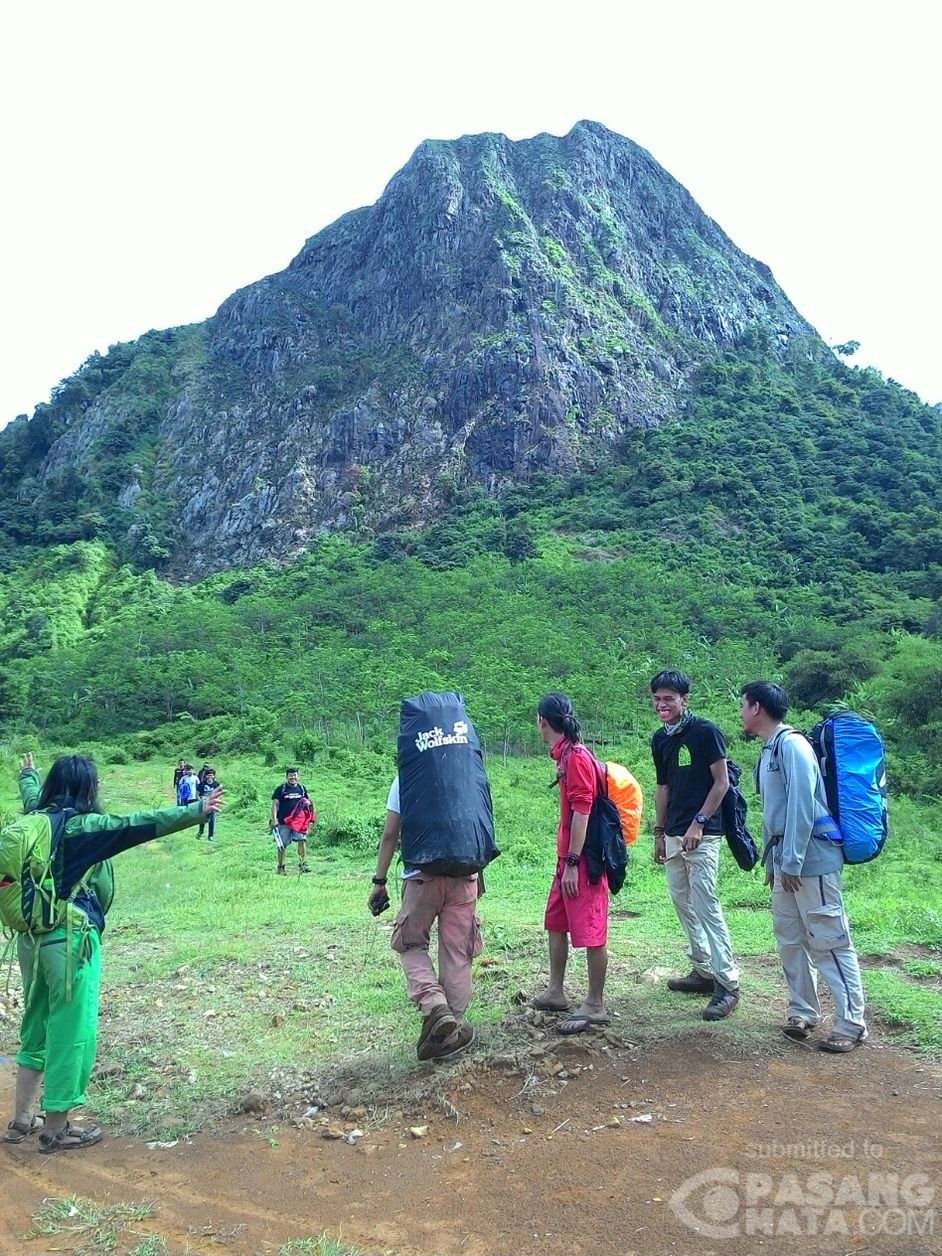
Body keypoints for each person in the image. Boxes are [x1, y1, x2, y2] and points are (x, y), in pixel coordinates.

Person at [4, 753, 221, 1153]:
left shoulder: (37, 818)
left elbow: (33, 794)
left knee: (36, 1023)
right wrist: (195, 811)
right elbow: (136, 826)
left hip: (32, 939)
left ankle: (21, 1119)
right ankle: (56, 1128)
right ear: (88, 789)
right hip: (69, 941)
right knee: (72, 1031)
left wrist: (28, 775)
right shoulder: (83, 827)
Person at [368, 691, 496, 1061]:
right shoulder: (468, 771)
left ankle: (434, 1006)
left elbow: (390, 834)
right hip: (467, 873)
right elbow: (481, 823)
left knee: (410, 943)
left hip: (422, 876)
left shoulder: (408, 778)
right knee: (457, 951)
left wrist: (379, 882)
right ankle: (452, 1024)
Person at [740, 681, 868, 1052]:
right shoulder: (769, 749)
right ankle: (803, 1011)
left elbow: (801, 807)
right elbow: (773, 811)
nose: (741, 712)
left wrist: (792, 861)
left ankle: (851, 1023)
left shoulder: (793, 745)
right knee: (790, 940)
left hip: (811, 862)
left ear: (757, 708)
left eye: (743, 705)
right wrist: (774, 863)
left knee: (829, 941)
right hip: (786, 864)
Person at [650, 669, 741, 1020]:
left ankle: (728, 983)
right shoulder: (660, 739)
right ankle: (703, 969)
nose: (662, 704)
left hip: (702, 833)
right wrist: (659, 833)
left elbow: (721, 784)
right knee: (681, 901)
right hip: (673, 831)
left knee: (706, 904)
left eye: (669, 698)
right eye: (657, 699)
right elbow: (663, 788)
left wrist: (698, 824)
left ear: (684, 699)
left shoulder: (705, 732)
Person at [530, 693, 610, 1035]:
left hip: (583, 861)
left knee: (591, 931)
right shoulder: (565, 754)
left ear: (542, 722)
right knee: (555, 921)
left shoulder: (576, 758)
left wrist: (574, 863)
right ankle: (556, 991)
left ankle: (595, 1004)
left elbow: (582, 810)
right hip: (568, 860)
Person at [270, 768, 312, 875]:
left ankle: (303, 865)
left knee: (302, 841)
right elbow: (275, 804)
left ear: (298, 776)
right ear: (286, 777)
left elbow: (308, 803)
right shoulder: (281, 789)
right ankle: (281, 867)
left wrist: (309, 821)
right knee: (282, 845)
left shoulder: (302, 789)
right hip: (284, 822)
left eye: (295, 775)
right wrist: (274, 819)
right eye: (290, 775)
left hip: (299, 823)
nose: (293, 777)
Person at [196, 767, 221, 840]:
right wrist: (200, 801)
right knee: (202, 819)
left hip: (212, 804)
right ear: (205, 776)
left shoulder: (216, 784)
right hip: (203, 804)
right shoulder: (202, 784)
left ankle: (210, 835)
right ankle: (201, 831)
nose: (210, 777)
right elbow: (197, 794)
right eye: (208, 775)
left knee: (212, 820)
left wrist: (217, 802)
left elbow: (219, 794)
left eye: (212, 775)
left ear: (214, 776)